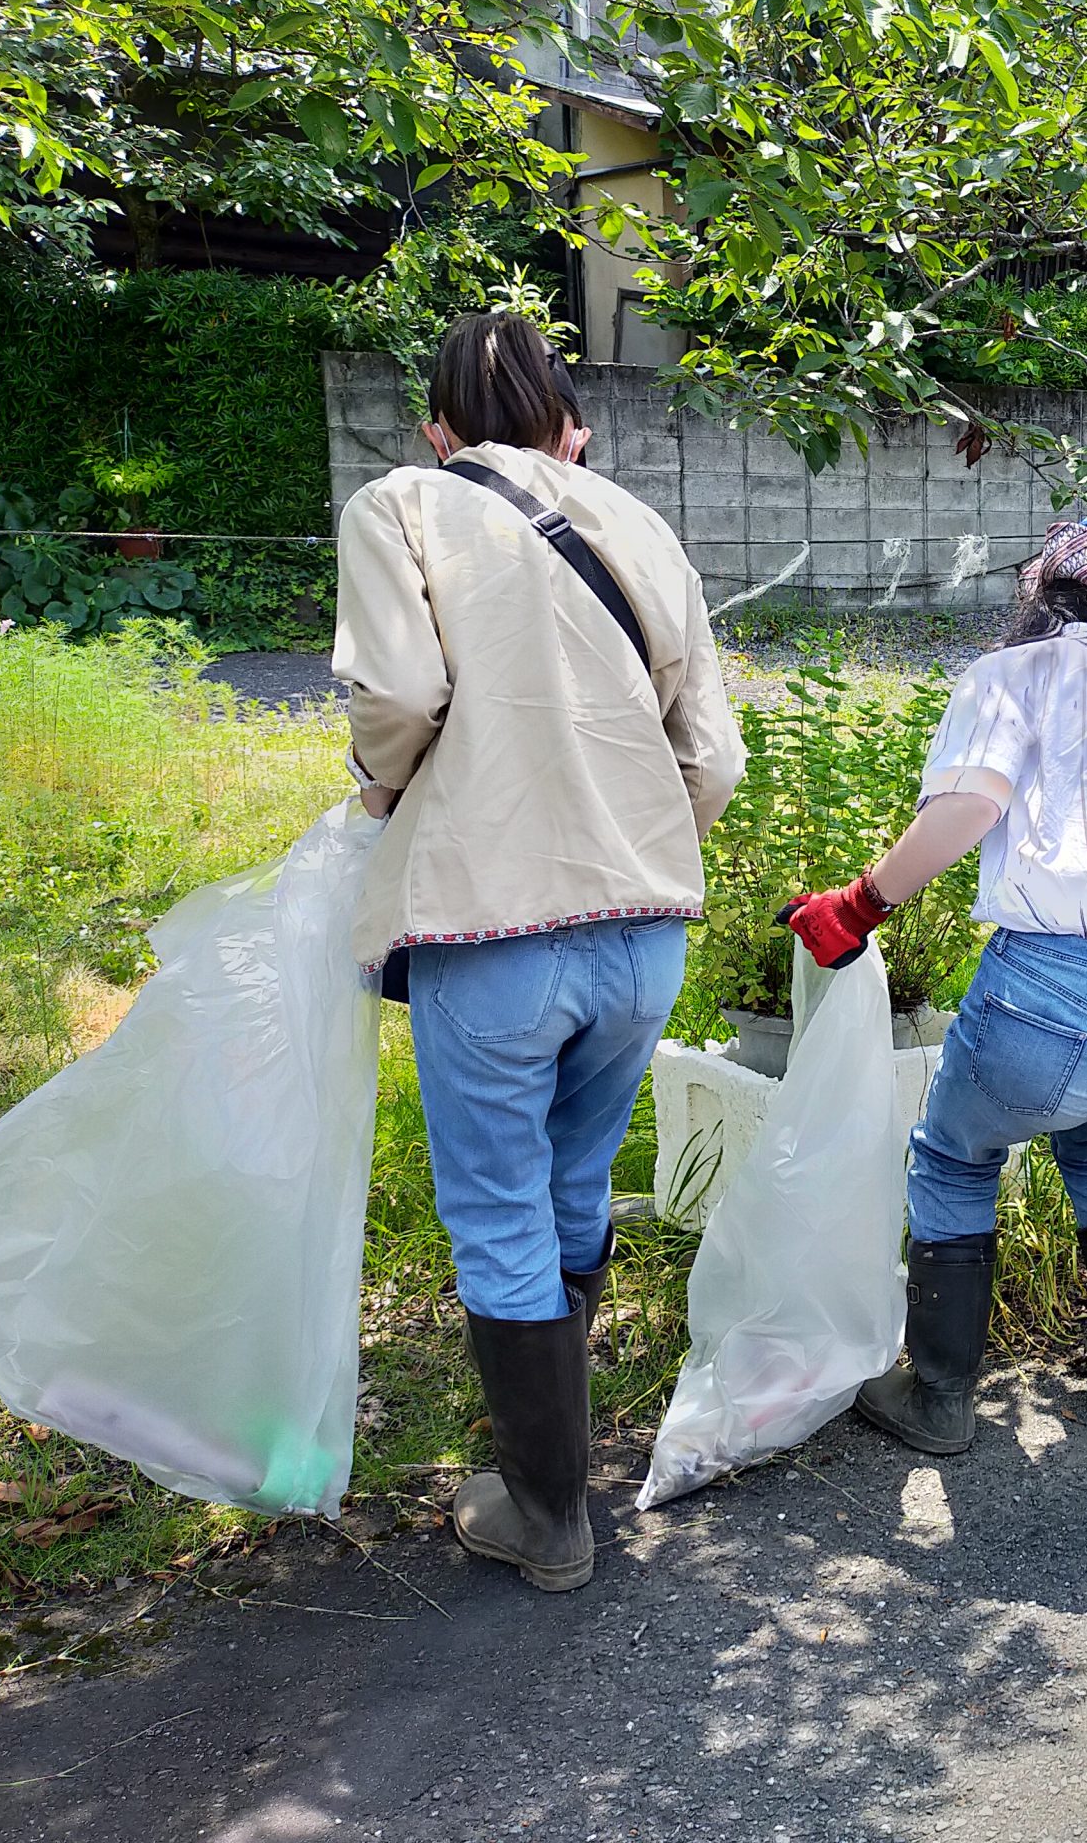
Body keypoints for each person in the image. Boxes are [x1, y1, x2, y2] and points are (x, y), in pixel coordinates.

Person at [333, 312, 746, 1590]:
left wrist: (391, 795)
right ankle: (560, 1474)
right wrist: (640, 841)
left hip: (490, 925)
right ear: (574, 427)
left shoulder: (401, 502)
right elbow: (714, 756)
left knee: (498, 1208)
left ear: (439, 430)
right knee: (573, 1183)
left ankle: (547, 1514)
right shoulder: (639, 522)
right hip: (642, 933)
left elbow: (397, 700)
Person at [782, 514, 1087, 1454]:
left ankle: (940, 1399)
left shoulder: (1015, 678)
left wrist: (861, 902)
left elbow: (968, 806)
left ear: (1057, 591)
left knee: (956, 1156)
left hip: (1046, 989)